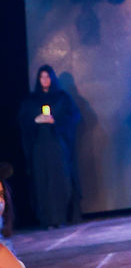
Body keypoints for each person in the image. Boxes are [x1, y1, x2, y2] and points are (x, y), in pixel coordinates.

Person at [18, 66, 81, 229]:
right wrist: (35, 120)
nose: (45, 80)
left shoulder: (61, 98)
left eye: (47, 77)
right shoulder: (31, 100)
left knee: (60, 180)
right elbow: (22, 120)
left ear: (52, 78)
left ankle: (60, 217)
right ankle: (47, 220)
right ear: (38, 79)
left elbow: (74, 116)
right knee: (42, 181)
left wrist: (55, 122)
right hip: (39, 146)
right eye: (42, 77)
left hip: (57, 144)